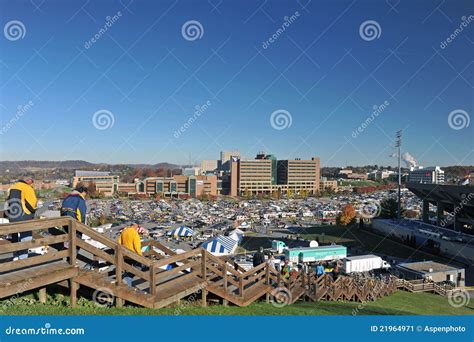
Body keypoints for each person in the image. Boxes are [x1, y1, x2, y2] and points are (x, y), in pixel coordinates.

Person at [6, 178, 38, 260]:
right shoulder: (27, 188)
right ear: (29, 182)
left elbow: (8, 202)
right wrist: (34, 210)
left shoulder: (12, 187)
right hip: (24, 217)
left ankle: (16, 257)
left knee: (15, 237)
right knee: (26, 238)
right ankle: (23, 259)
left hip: (12, 217)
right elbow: (32, 204)